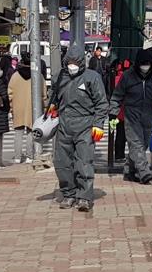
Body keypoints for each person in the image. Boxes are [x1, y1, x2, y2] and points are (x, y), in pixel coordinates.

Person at [51, 47, 108, 212]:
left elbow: (101, 103)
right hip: (64, 125)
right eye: (69, 62)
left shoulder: (92, 77)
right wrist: (53, 108)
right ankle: (68, 194)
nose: (72, 65)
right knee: (62, 162)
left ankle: (84, 197)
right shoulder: (59, 77)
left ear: (82, 63)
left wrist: (98, 124)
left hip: (85, 124)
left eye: (75, 62)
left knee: (84, 162)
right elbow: (54, 97)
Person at [109, 50, 152, 184]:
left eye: (147, 64)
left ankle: (129, 170)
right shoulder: (128, 76)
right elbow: (117, 95)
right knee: (136, 143)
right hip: (132, 114)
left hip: (149, 113)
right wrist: (113, 113)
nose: (145, 67)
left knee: (144, 143)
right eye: (142, 64)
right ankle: (144, 171)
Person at [8, 52, 47, 164]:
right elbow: (43, 93)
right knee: (31, 132)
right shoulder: (38, 76)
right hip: (33, 107)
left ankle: (17, 156)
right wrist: (43, 106)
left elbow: (9, 93)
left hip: (18, 107)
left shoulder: (15, 76)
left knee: (18, 132)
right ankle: (29, 156)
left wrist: (11, 107)